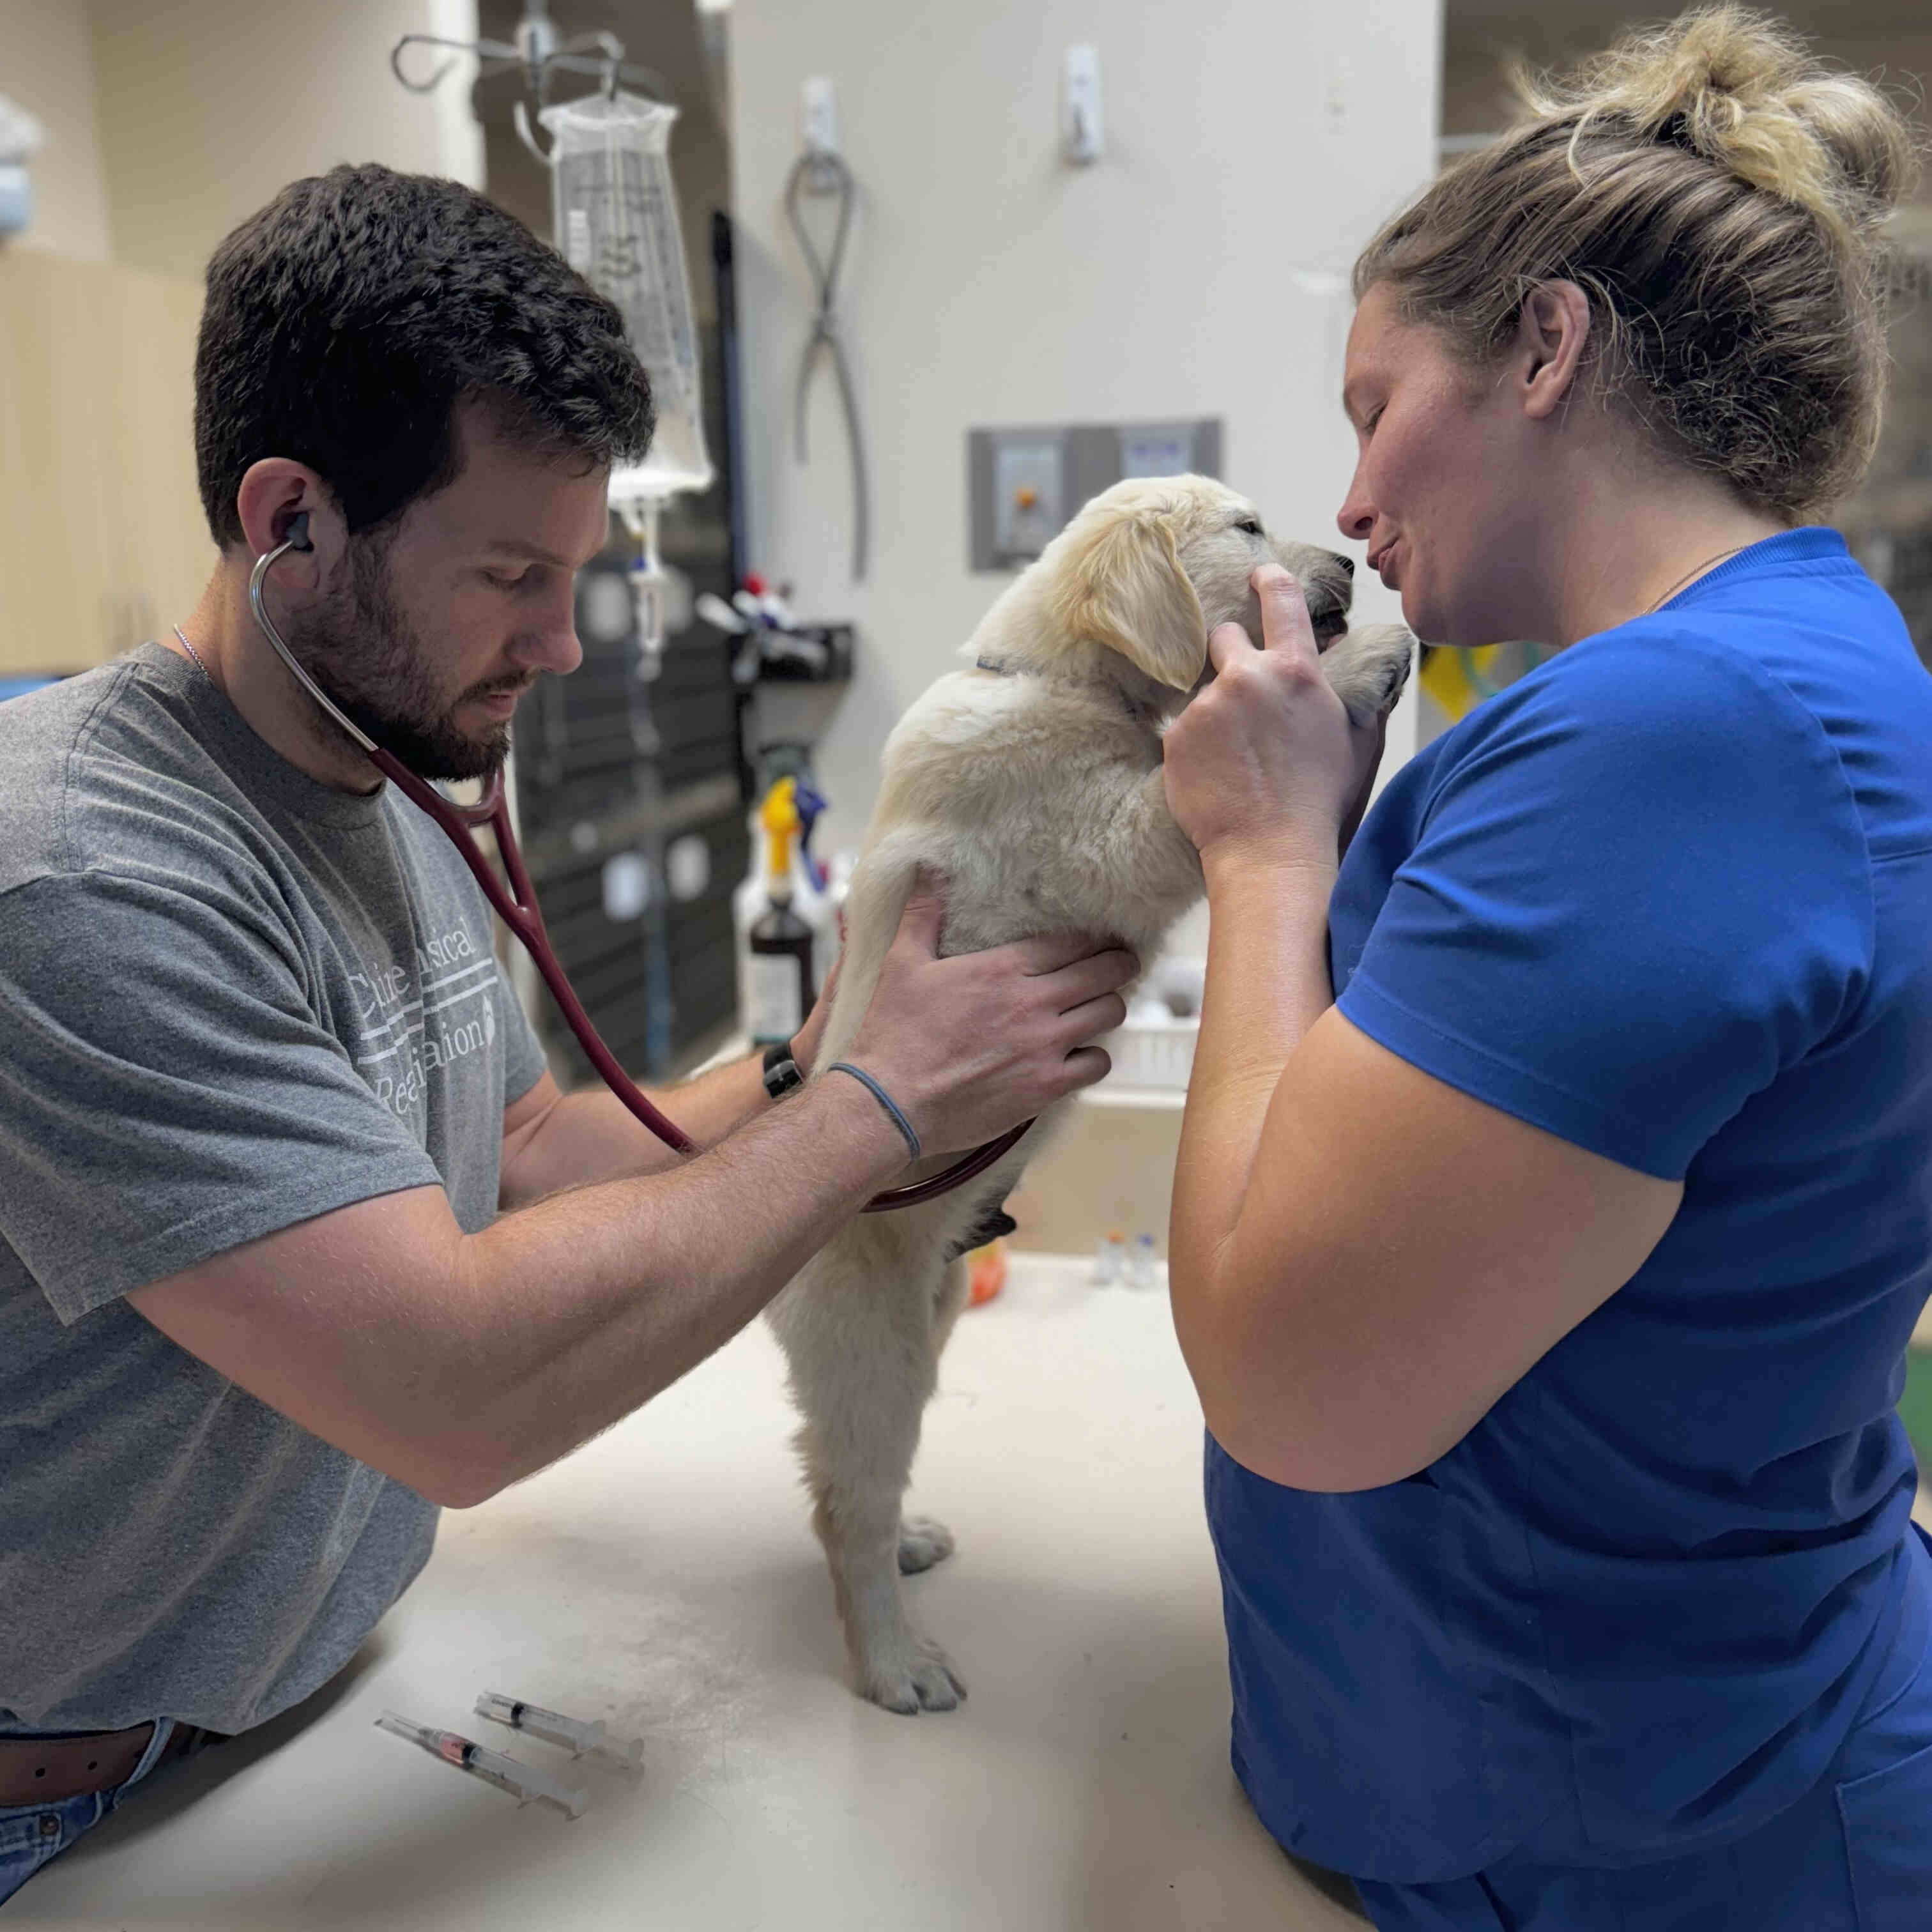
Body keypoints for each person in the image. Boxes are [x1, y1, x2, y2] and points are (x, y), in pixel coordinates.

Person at [0, 164, 1135, 1903]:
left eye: (579, 571)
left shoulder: (385, 774)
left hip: (316, 1697)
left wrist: (817, 1047)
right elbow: (449, 1391)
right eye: (514, 574)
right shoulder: (86, 877)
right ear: (290, 519)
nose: (563, 643)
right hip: (75, 1795)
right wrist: (874, 1109)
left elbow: (522, 1156)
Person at [1160, 9, 1932, 1928]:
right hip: (1645, 1745)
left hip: (1631, 1834)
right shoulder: (1791, 670)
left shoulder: (1686, 736)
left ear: (1546, 343)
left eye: (1370, 403)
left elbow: (1293, 1379)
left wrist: (1266, 851)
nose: (1347, 505)